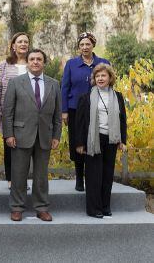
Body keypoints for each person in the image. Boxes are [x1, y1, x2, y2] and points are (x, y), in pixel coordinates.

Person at [3, 49, 62, 222]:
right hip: (20, 135)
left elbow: (58, 114)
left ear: (44, 63)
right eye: (32, 59)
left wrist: (56, 135)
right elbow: (8, 112)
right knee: (18, 174)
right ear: (27, 62)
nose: (35, 62)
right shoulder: (15, 82)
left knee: (41, 175)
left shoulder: (54, 84)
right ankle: (17, 207)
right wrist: (9, 134)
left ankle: (42, 208)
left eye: (39, 59)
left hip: (45, 135)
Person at [75, 64, 127, 218]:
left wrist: (122, 140)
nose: (100, 78)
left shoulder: (118, 96)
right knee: (93, 176)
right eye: (97, 76)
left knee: (107, 175)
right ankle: (94, 209)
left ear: (110, 78)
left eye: (103, 75)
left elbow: (122, 120)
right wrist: (79, 143)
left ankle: (105, 207)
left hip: (111, 139)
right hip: (93, 140)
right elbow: (80, 122)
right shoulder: (86, 97)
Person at [61, 32, 110, 192]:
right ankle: (79, 178)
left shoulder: (103, 63)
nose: (84, 47)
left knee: (95, 141)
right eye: (81, 44)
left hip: (98, 109)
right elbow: (65, 87)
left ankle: (92, 178)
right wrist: (64, 110)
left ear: (93, 45)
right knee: (78, 142)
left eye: (88, 44)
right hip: (75, 109)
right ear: (78, 47)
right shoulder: (71, 64)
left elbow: (110, 84)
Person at [0, 32, 30, 188]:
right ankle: (11, 179)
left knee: (26, 147)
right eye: (20, 41)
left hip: (28, 113)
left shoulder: (33, 63)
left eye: (26, 42)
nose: (23, 44)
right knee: (9, 145)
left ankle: (23, 179)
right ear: (13, 45)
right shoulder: (3, 65)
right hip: (8, 113)